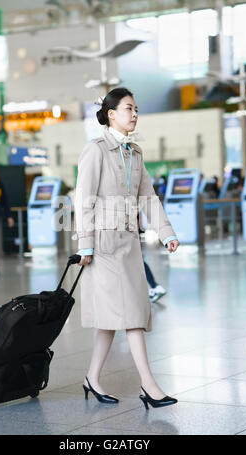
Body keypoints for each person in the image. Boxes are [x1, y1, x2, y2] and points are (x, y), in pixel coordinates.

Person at [73, 87, 180, 409]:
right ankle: (149, 385)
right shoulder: (95, 150)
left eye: (136, 109)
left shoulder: (134, 152)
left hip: (130, 244)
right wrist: (85, 246)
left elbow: (148, 197)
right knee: (133, 312)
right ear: (111, 114)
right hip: (104, 246)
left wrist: (166, 233)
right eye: (129, 109)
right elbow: (83, 200)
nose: (134, 114)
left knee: (111, 317)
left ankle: (92, 378)